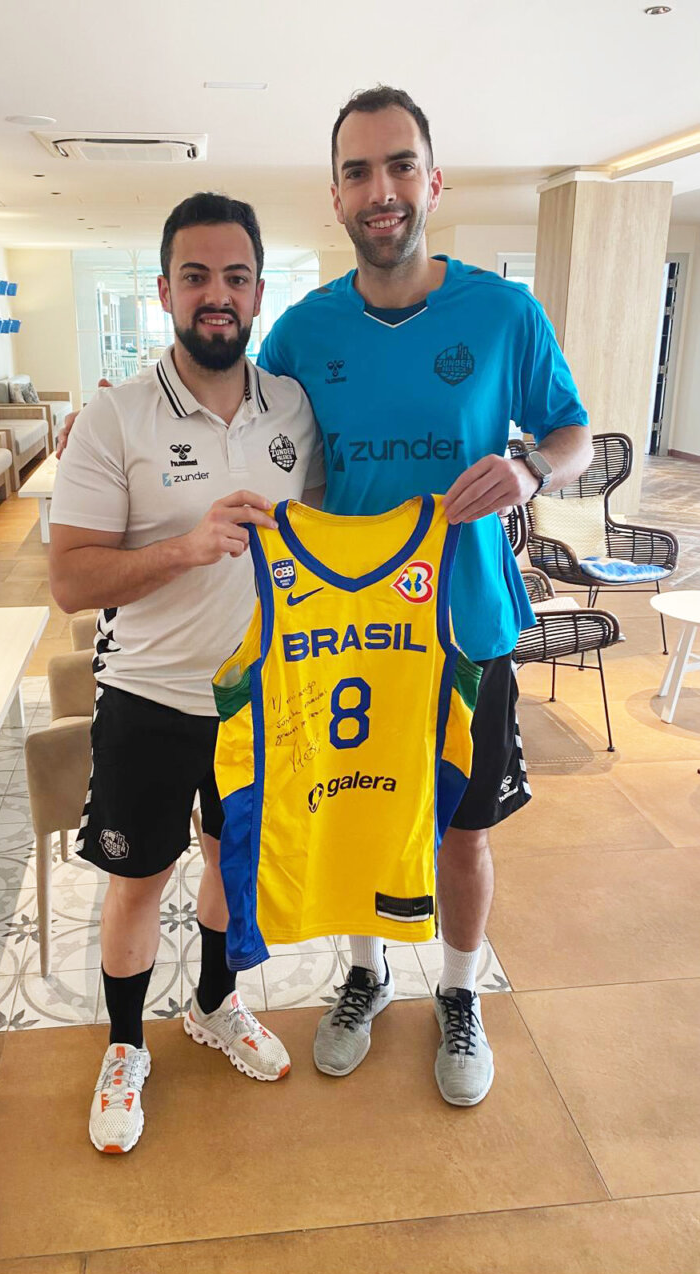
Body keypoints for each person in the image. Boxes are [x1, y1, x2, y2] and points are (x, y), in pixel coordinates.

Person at [256, 86, 594, 1105]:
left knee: (462, 824)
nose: (381, 188)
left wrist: (533, 472)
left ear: (432, 181)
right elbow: (267, 451)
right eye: (359, 171)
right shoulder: (303, 332)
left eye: (399, 165)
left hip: (465, 620)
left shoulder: (500, 312)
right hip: (346, 620)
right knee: (357, 804)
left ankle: (457, 988)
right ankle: (361, 975)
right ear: (335, 196)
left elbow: (573, 433)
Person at [48, 192, 324, 1153]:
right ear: (164, 290)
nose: (218, 295)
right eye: (197, 276)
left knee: (227, 864)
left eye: (236, 277)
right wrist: (186, 546)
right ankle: (126, 1045)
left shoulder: (291, 406)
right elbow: (70, 579)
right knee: (136, 879)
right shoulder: (114, 418)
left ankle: (214, 1003)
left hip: (260, 700)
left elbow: (319, 543)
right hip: (148, 697)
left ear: (257, 292)